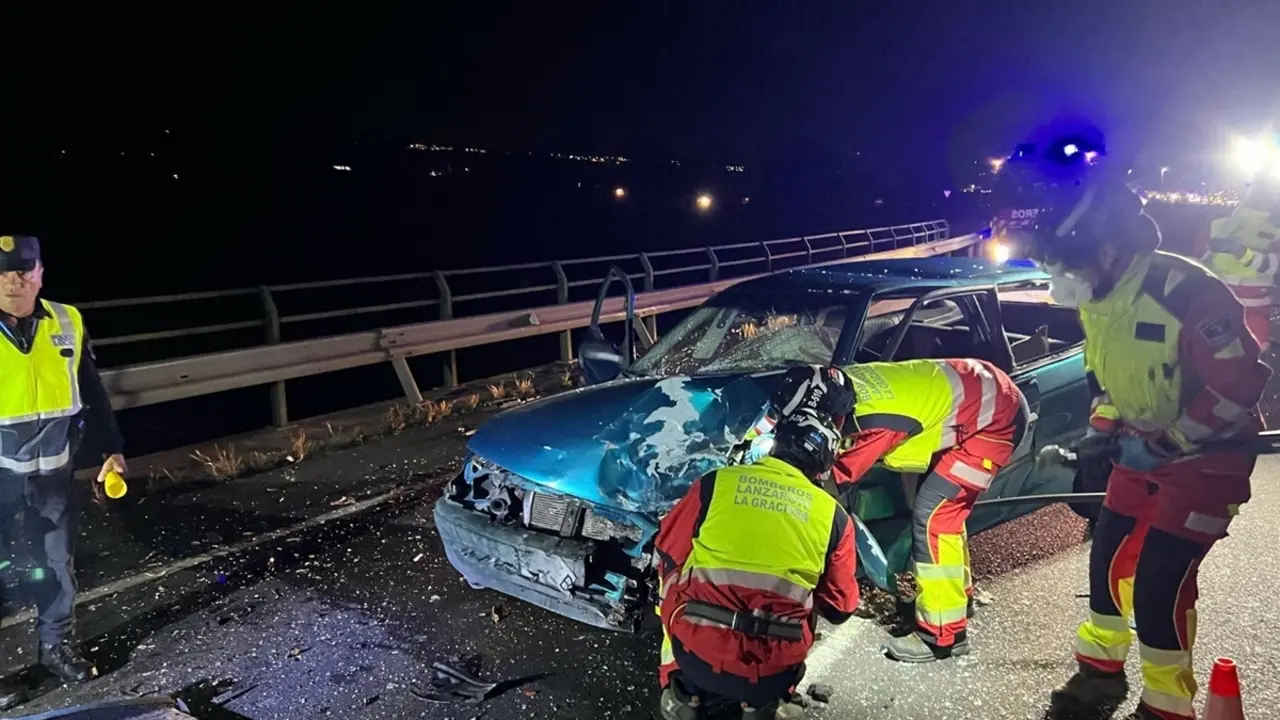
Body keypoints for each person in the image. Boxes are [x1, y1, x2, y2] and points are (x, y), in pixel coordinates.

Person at [1023, 171, 1271, 720]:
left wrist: (1168, 443)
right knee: (1107, 560)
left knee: (1161, 586)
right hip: (1141, 451)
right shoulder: (1099, 297)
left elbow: (1241, 386)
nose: (1062, 281)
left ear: (1109, 250)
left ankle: (1165, 706)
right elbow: (1114, 381)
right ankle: (1099, 672)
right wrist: (1102, 431)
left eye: (1069, 266)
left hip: (1209, 461)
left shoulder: (1186, 294)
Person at [774, 359, 1030, 664]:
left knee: (936, 517)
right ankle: (957, 601)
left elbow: (834, 482)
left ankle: (943, 636)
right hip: (982, 392)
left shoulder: (875, 422)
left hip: (995, 422)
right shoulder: (837, 384)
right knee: (943, 510)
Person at [654, 407, 860, 720]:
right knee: (809, 600)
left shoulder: (715, 484)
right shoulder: (835, 519)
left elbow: (667, 548)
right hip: (771, 673)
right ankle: (761, 706)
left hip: (695, 656)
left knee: (670, 578)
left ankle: (680, 692)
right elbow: (840, 608)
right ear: (822, 465)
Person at [0, 234, 127, 708]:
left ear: (40, 273)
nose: (15, 280)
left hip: (53, 474)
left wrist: (110, 449)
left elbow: (91, 392)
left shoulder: (67, 320)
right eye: (4, 271)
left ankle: (56, 649)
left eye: (24, 270)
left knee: (57, 567)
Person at [1197, 178, 1280, 352]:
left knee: (1253, 362)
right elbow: (1195, 262)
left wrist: (1241, 253)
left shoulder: (1276, 229)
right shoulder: (1218, 224)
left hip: (1255, 310)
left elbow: (1274, 266)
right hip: (1218, 309)